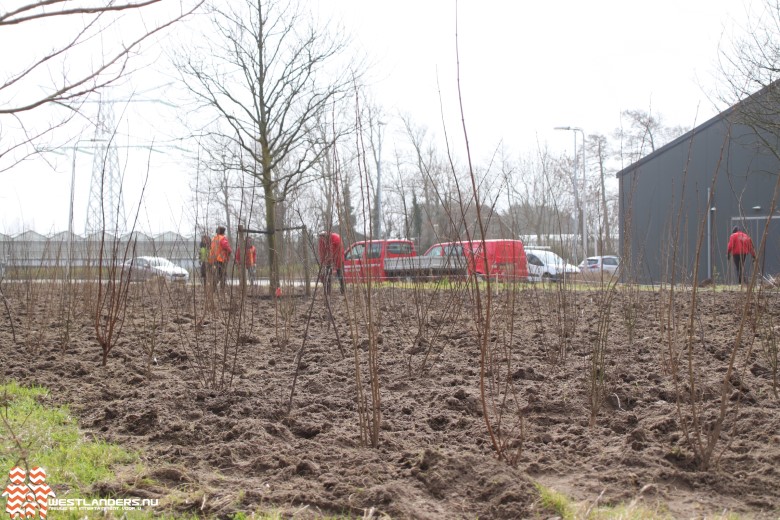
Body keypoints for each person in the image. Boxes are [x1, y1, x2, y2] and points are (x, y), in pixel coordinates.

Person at [318, 231, 345, 295]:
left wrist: (335, 267)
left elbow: (338, 253)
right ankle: (328, 292)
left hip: (338, 260)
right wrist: (323, 263)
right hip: (328, 261)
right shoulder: (321, 241)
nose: (322, 239)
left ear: (327, 235)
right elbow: (321, 252)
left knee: (340, 276)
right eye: (321, 237)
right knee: (327, 277)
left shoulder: (336, 238)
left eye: (324, 237)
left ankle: (343, 291)